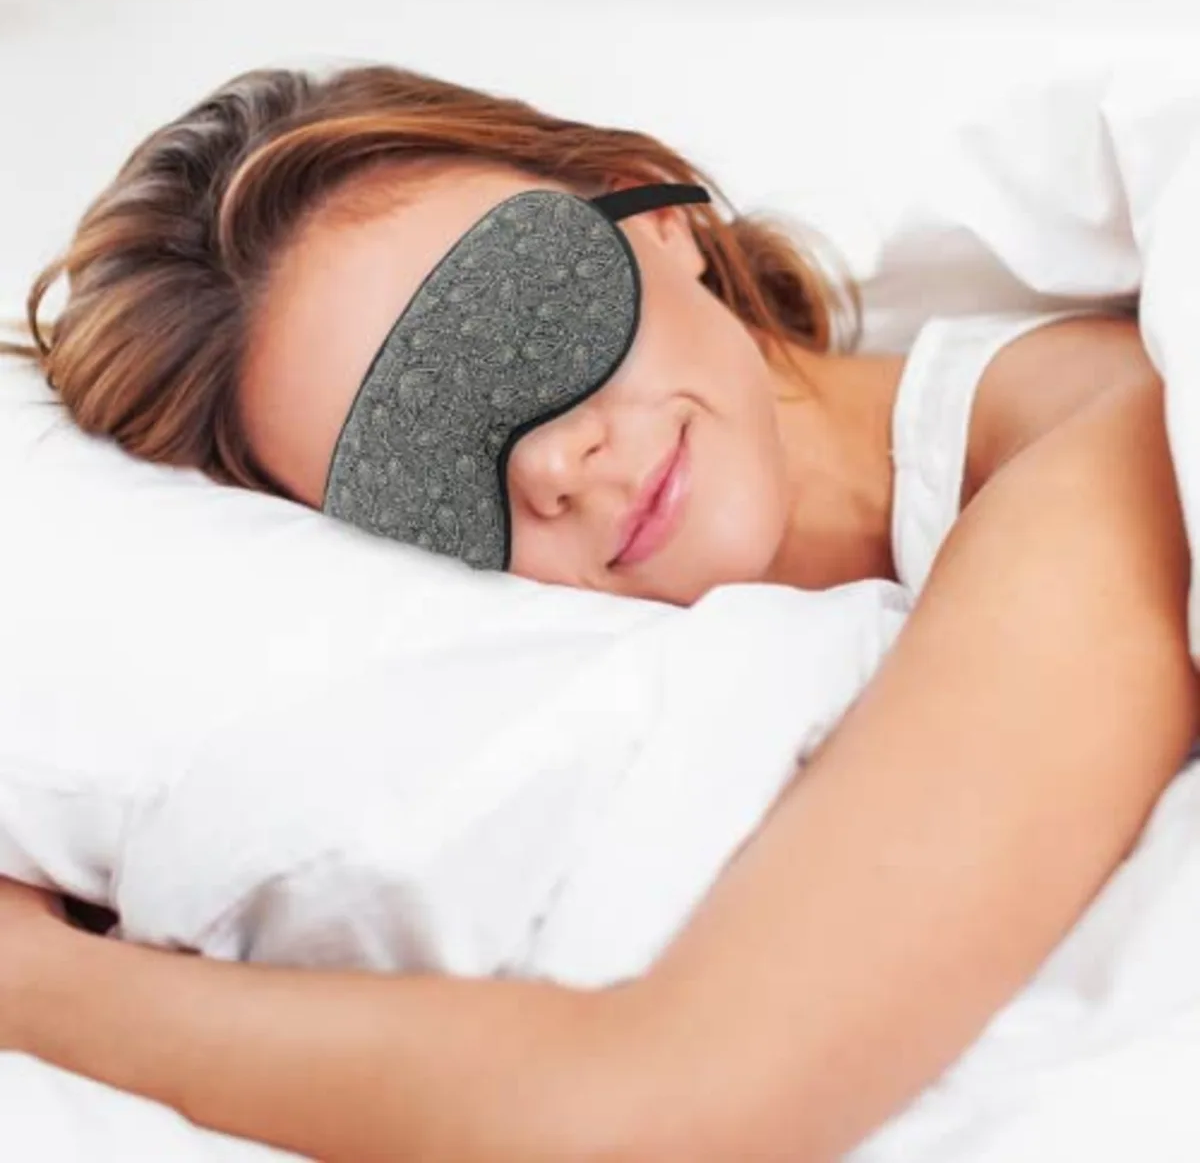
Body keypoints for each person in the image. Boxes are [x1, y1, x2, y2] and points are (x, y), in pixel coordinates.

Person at [0, 63, 1195, 1160]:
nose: (547, 464)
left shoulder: (1098, 446)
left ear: (658, 215)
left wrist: (35, 978)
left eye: (513, 328)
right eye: (419, 475)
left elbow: (674, 1103)